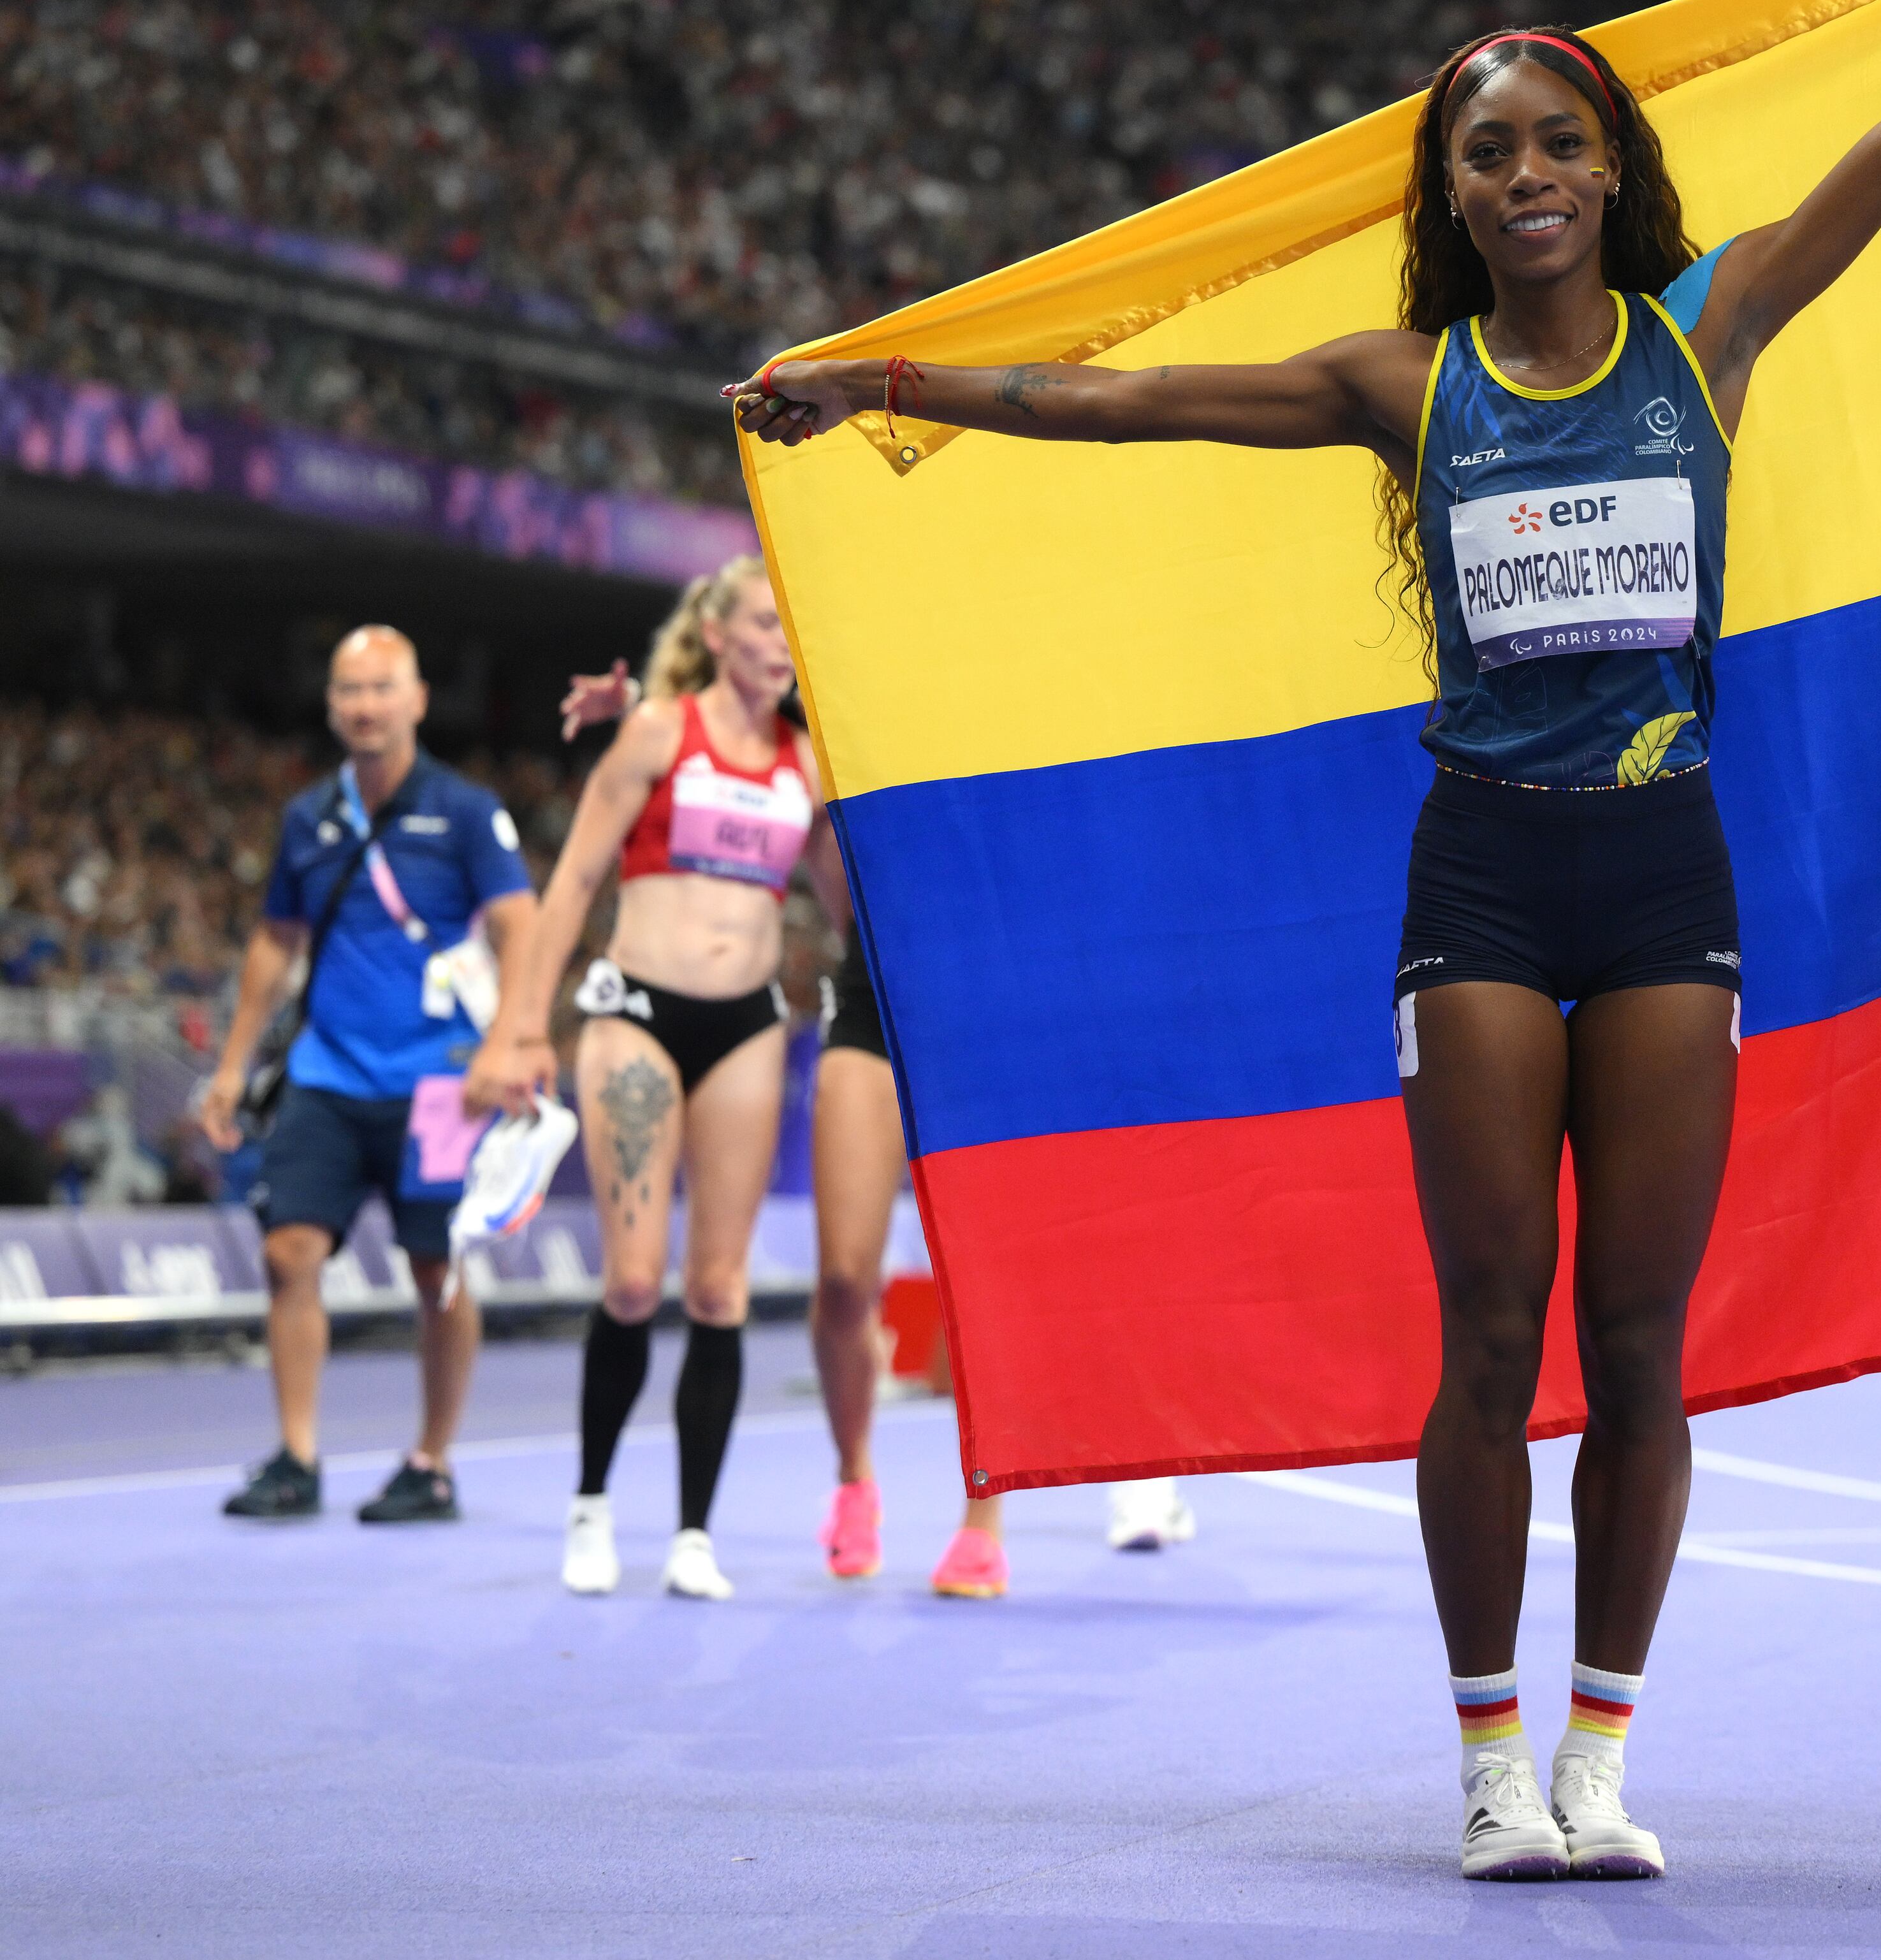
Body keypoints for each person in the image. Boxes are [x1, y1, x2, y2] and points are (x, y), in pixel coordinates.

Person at [733, 0, 1881, 1877]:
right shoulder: (1404, 385)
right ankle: (1486, 1759)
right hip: (1485, 889)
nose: (1525, 174)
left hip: (1666, 878)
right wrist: (879, 382)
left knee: (1641, 1345)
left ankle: (1602, 1753)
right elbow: (1124, 400)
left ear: (1611, 171)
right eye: (1485, 153)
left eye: (1555, 144)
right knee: (1493, 1331)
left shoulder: (1712, 330)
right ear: (1449, 196)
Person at [555, 662, 1198, 1595]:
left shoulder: (1045, 720)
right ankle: (855, 1478)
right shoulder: (865, 685)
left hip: (1000, 1003)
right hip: (878, 997)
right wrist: (640, 699)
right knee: (845, 1279)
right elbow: (744, 693)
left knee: (983, 1280)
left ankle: (984, 1514)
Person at [470, 557, 839, 1601]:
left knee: (719, 1287)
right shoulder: (656, 734)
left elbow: (845, 900)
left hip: (748, 1027)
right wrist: (522, 1030)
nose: (779, 642)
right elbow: (573, 882)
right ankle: (591, 1506)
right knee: (634, 1281)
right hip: (636, 1015)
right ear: (716, 633)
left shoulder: (809, 764)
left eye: (790, 625)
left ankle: (693, 1535)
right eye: (762, 622)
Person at [198, 626, 537, 1525]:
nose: (366, 705)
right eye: (350, 689)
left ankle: (432, 1462)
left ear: (418, 700)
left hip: (441, 1083)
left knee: (437, 1272)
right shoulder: (308, 818)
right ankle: (297, 1457)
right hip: (329, 1074)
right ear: (331, 706)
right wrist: (232, 1065)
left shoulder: (465, 812)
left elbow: (521, 925)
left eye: (383, 687)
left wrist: (507, 1043)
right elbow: (276, 941)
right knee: (288, 1252)